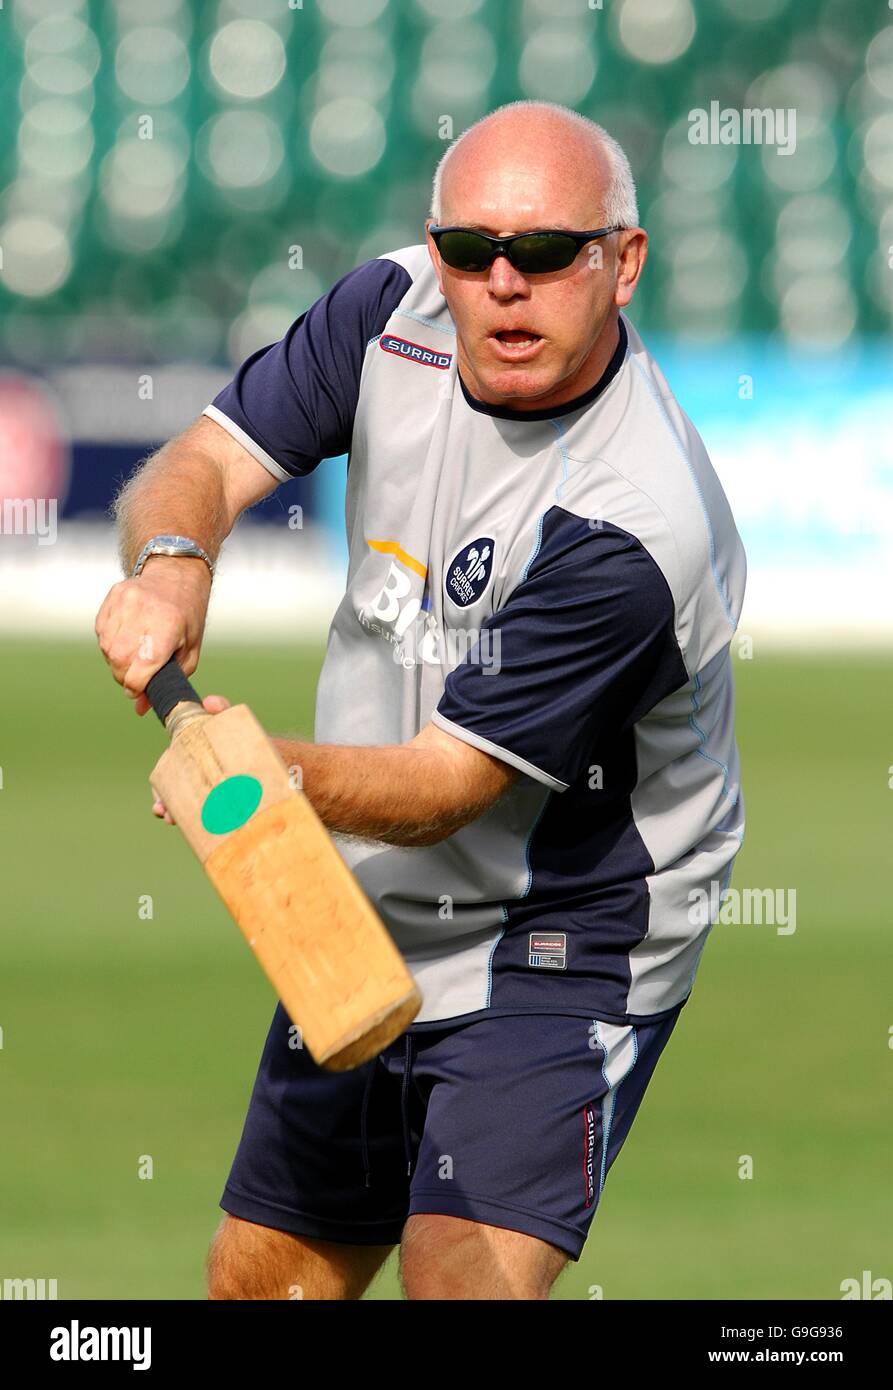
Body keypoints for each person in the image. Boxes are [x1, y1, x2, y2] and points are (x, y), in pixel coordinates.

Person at [95, 100, 746, 1301]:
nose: (500, 284)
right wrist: (172, 562)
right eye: (467, 249)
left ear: (623, 260)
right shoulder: (387, 309)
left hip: (563, 933)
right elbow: (206, 458)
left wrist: (250, 772)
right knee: (263, 1284)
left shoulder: (633, 526)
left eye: (545, 253)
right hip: (362, 908)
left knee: (459, 1283)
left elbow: (449, 787)